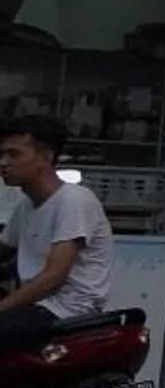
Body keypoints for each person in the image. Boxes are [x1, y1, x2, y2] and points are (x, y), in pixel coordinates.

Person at [0, 115, 112, 351]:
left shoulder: (74, 201)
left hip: (64, 310)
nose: (4, 162)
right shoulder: (26, 206)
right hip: (38, 306)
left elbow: (53, 277)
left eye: (14, 154)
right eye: (1, 155)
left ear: (45, 158)